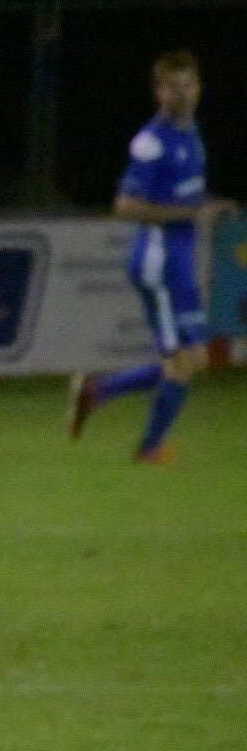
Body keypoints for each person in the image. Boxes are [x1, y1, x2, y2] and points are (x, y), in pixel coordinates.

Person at [70, 50, 237, 460]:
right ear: (158, 92)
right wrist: (192, 213)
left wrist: (210, 204)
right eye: (174, 87)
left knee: (190, 358)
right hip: (158, 263)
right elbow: (125, 205)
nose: (184, 94)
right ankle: (148, 448)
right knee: (187, 358)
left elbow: (186, 194)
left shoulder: (191, 132)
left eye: (189, 85)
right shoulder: (151, 142)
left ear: (199, 87)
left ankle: (98, 391)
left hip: (178, 261)